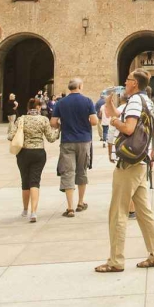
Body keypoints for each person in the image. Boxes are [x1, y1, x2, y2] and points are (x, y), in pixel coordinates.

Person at [96, 70, 154, 273]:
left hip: (128, 163)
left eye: (127, 80)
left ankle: (115, 261)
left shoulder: (135, 101)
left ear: (134, 83)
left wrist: (114, 123)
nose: (125, 83)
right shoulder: (143, 100)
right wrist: (109, 103)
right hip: (140, 161)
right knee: (144, 211)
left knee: (118, 211)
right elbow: (118, 114)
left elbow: (128, 127)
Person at [52, 78, 99, 217]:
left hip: (67, 141)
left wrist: (63, 125)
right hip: (84, 141)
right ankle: (80, 202)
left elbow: (53, 122)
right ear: (80, 86)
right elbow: (95, 121)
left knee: (68, 172)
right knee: (82, 170)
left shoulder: (61, 102)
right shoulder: (88, 101)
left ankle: (70, 207)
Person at [8, 98, 54, 223]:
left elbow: (10, 136)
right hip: (39, 153)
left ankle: (24, 210)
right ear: (38, 107)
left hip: (23, 152)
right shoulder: (43, 120)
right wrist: (59, 131)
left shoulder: (21, 119)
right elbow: (50, 138)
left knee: (25, 181)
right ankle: (33, 212)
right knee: (35, 181)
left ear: (28, 108)